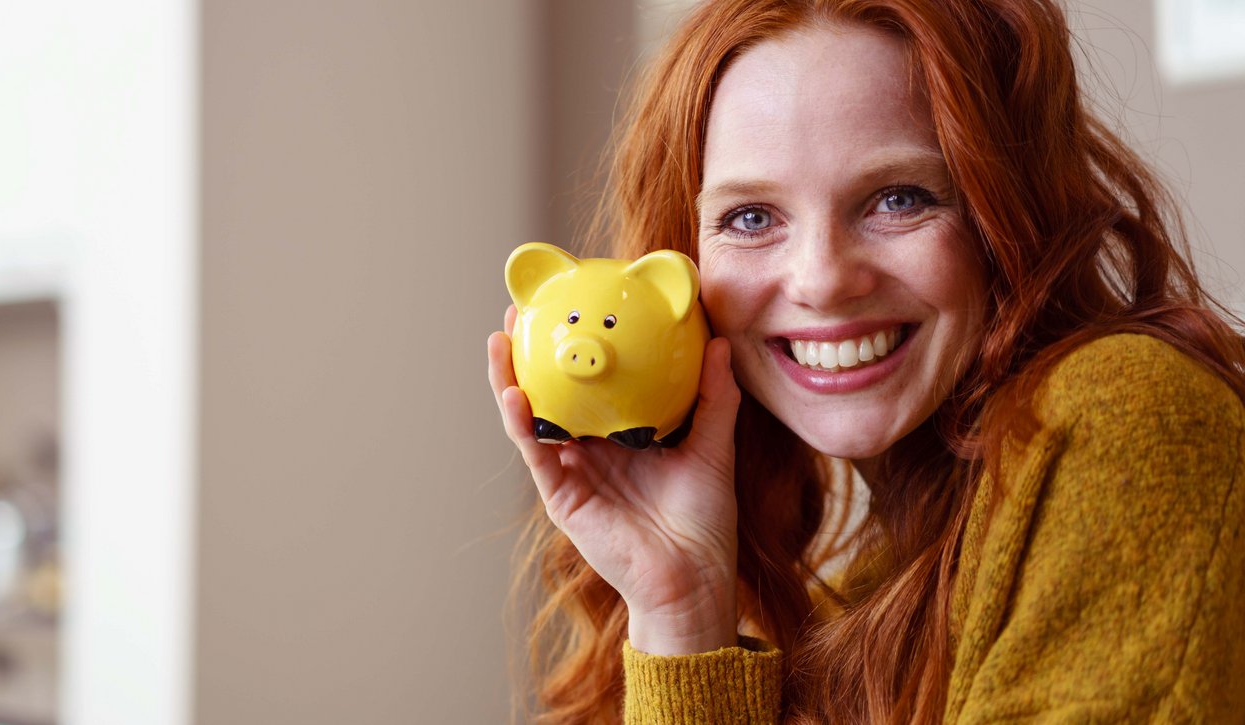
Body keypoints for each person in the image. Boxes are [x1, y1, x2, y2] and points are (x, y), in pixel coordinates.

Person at [485, 0, 1245, 722]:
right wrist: (681, 607)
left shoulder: (1128, 418)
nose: (820, 278)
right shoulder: (876, 585)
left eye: (899, 198)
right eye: (751, 217)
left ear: (1002, 214)